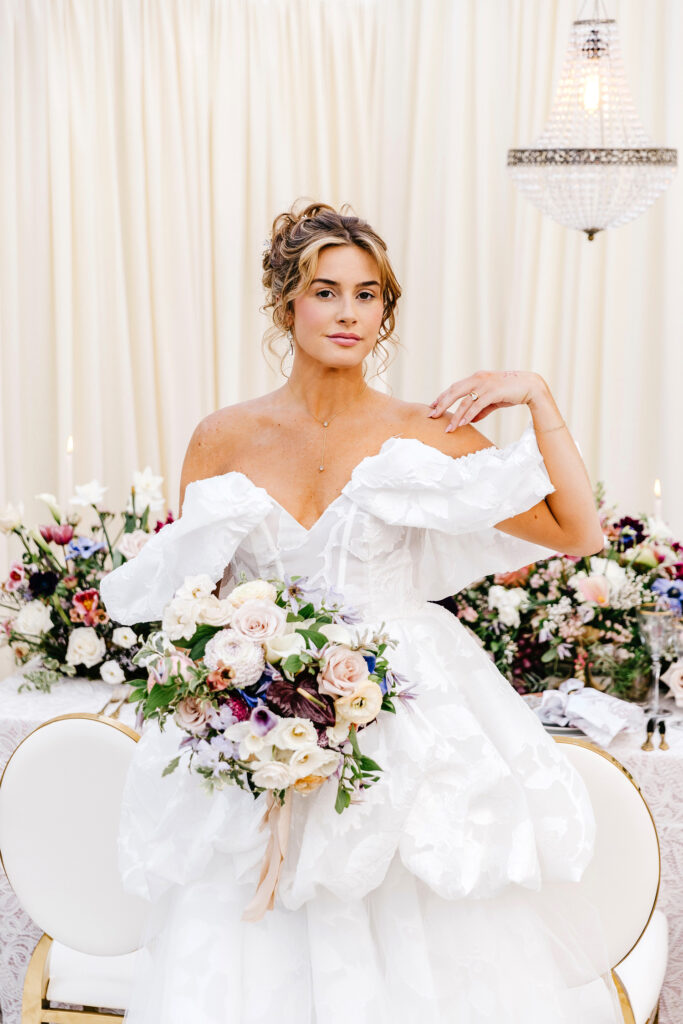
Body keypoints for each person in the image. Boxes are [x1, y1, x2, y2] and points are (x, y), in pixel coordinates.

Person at [100, 200, 622, 1023]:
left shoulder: (426, 432)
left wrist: (536, 396)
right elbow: (196, 601)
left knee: (408, 931)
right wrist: (237, 695)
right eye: (326, 292)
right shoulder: (221, 436)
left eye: (368, 295)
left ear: (386, 312)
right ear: (286, 306)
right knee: (247, 938)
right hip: (258, 719)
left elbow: (576, 530)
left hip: (402, 723)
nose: (348, 313)